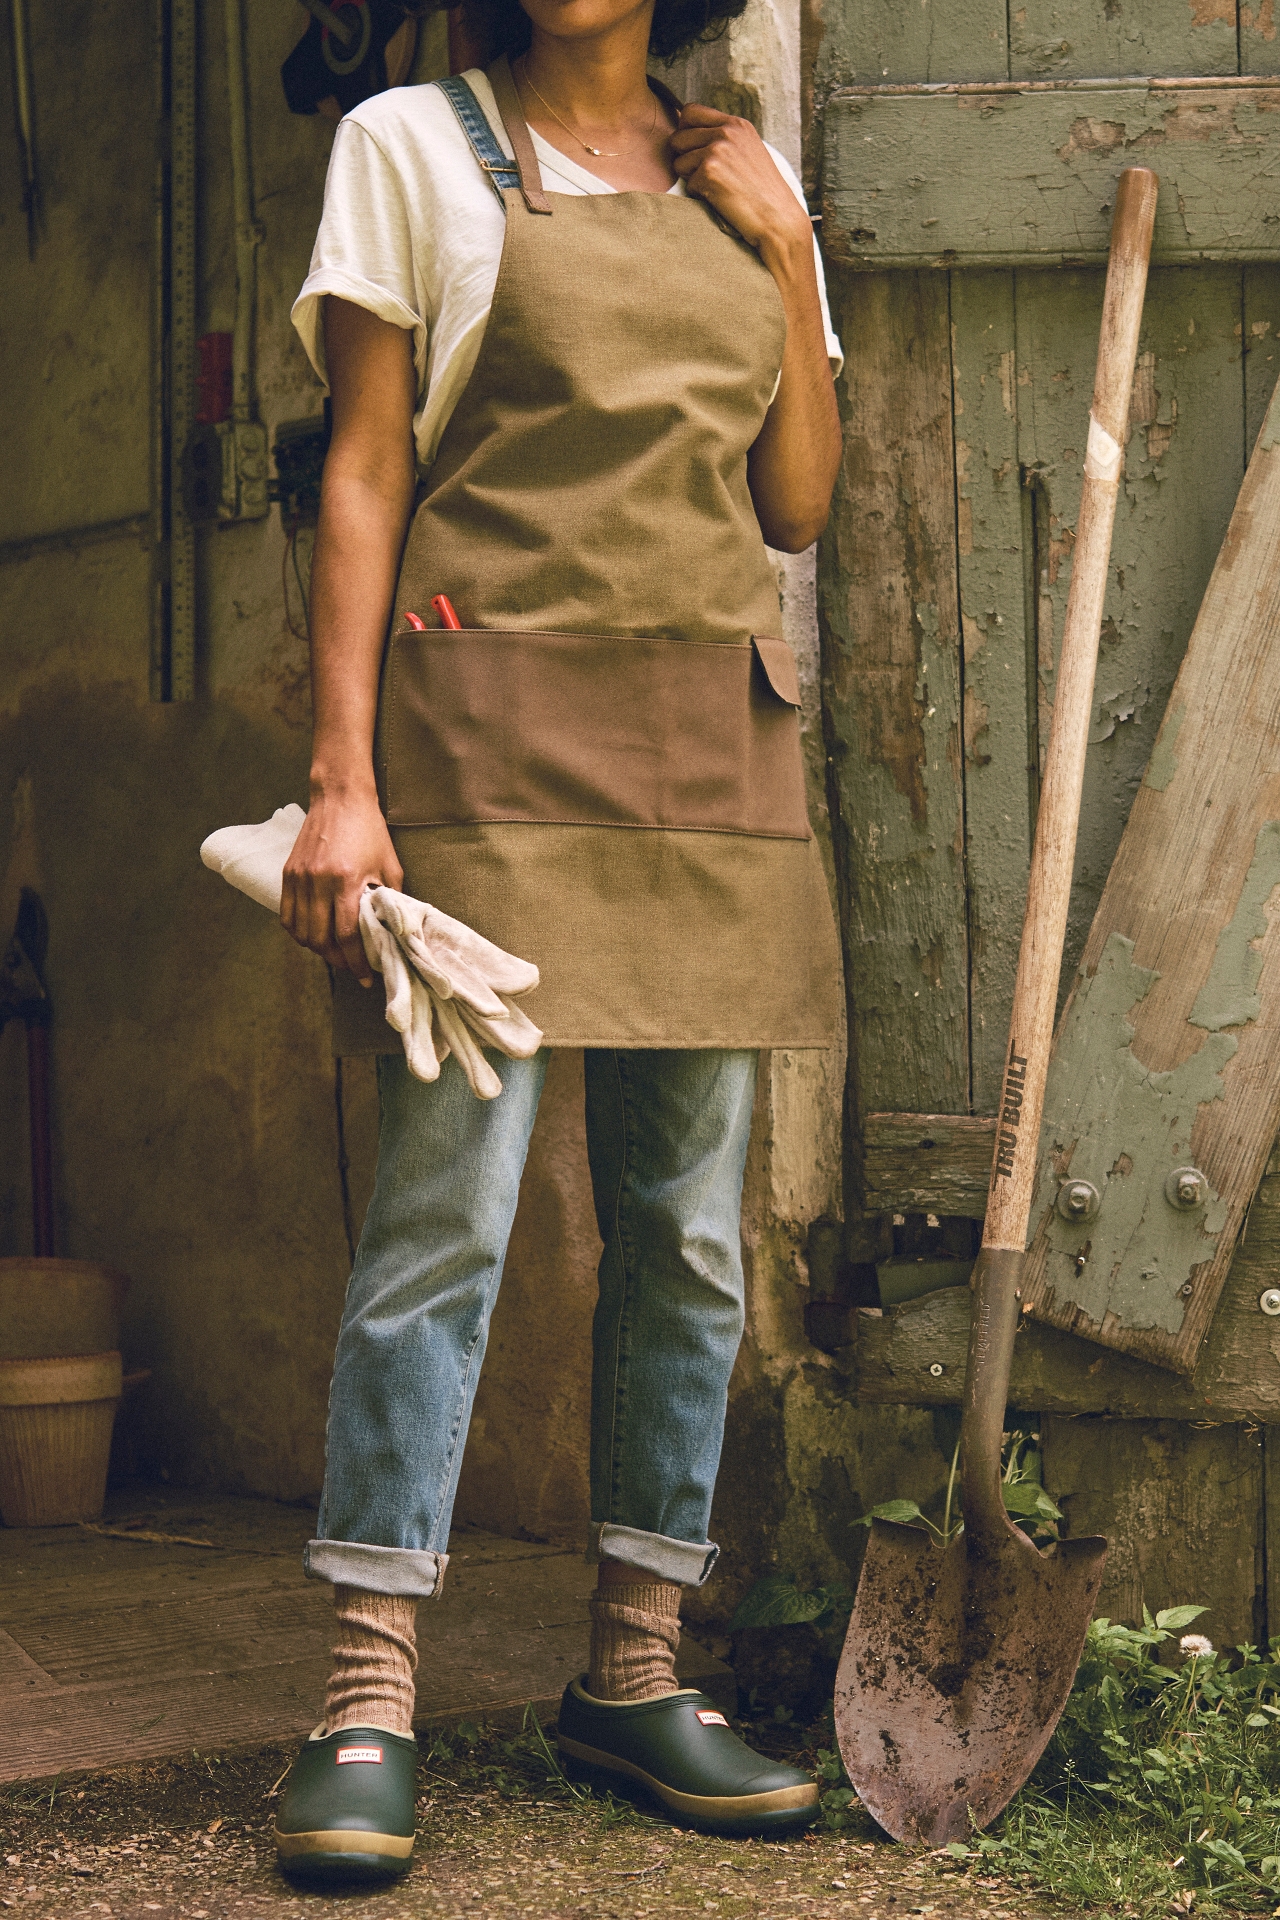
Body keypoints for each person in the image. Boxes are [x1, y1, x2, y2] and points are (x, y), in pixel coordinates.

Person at [272, 0, 845, 1880]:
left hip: (714, 750)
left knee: (686, 1234)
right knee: (451, 1213)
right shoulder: (409, 149)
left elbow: (798, 500)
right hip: (489, 743)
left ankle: (633, 1670)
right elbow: (364, 468)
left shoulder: (746, 184)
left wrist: (784, 245)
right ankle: (366, 1698)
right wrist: (343, 778)